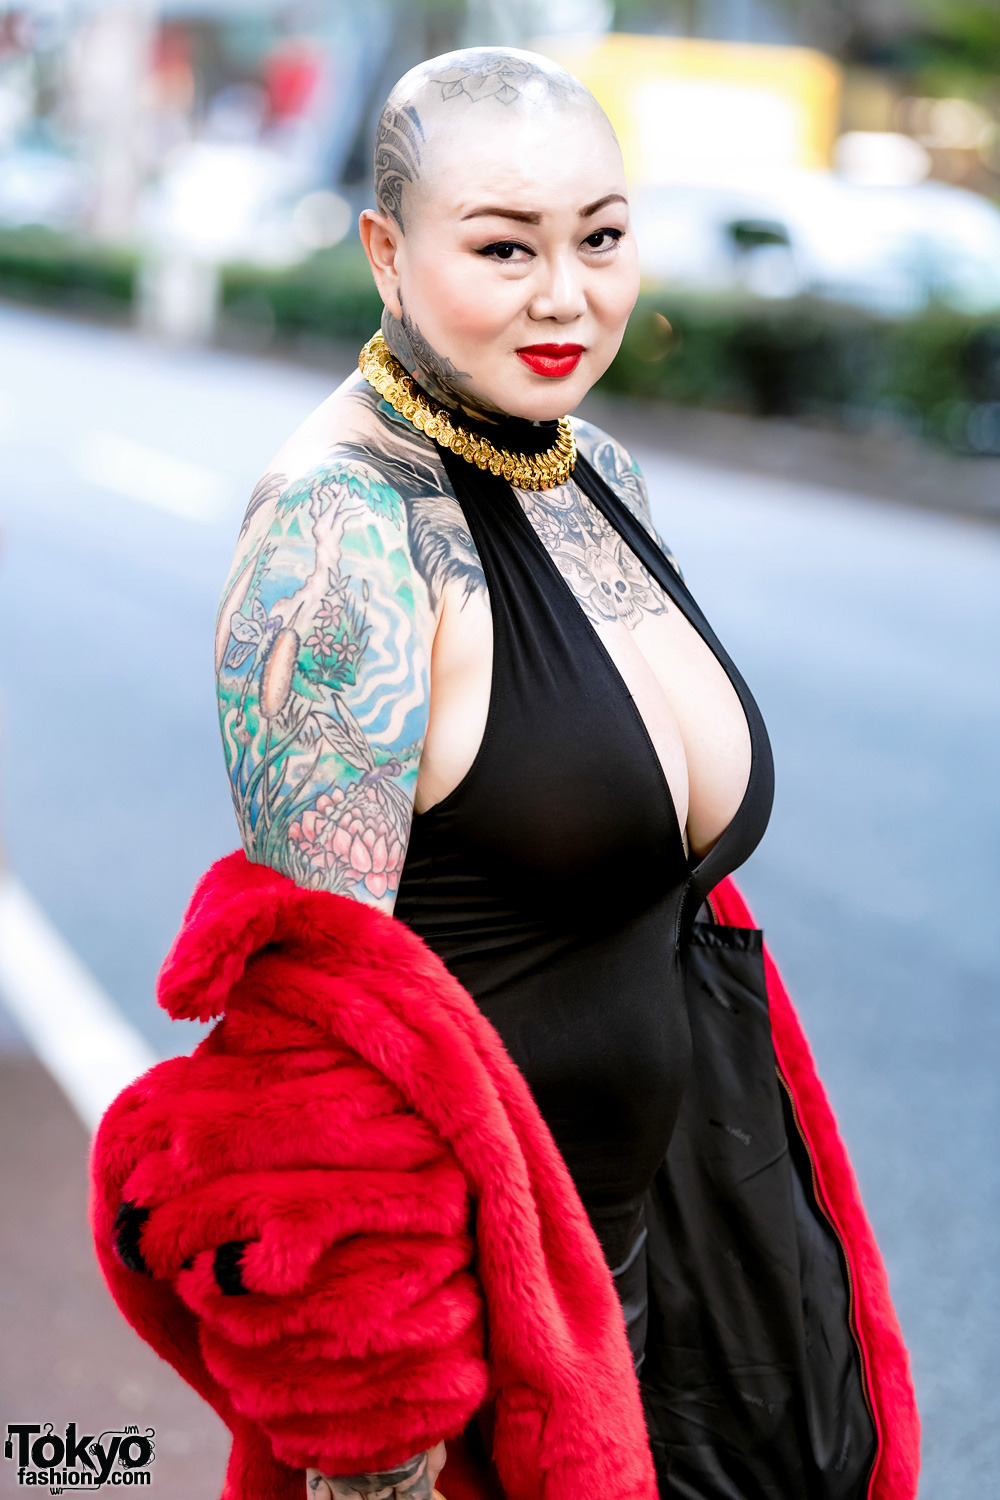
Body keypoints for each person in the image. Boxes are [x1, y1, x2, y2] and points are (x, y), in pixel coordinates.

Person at [207, 46, 908, 1500]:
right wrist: (377, 1452)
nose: (565, 296)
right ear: (388, 254)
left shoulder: (591, 470)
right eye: (504, 247)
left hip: (659, 1272)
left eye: (600, 237)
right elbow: (314, 1057)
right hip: (472, 1350)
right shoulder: (340, 536)